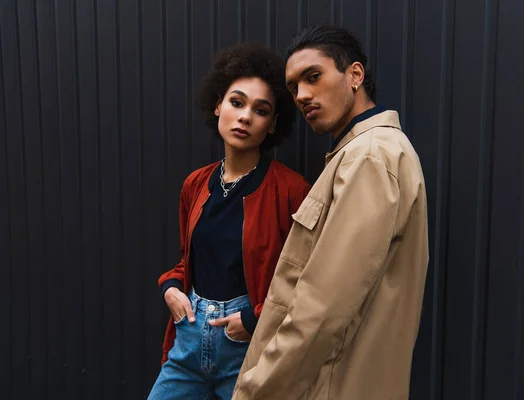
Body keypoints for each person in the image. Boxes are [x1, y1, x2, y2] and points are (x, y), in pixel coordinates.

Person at [232, 25, 429, 400]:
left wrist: (256, 389)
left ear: (354, 75)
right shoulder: (362, 154)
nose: (302, 95)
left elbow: (321, 310)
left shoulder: (370, 158)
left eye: (313, 77)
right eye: (293, 88)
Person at [148, 43, 310, 400]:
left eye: (260, 110)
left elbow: (307, 279)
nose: (245, 116)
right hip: (189, 340)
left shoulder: (291, 191)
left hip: (247, 350)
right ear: (218, 105)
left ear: (272, 125)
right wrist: (171, 287)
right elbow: (189, 258)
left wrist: (253, 322)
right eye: (237, 102)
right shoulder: (195, 184)